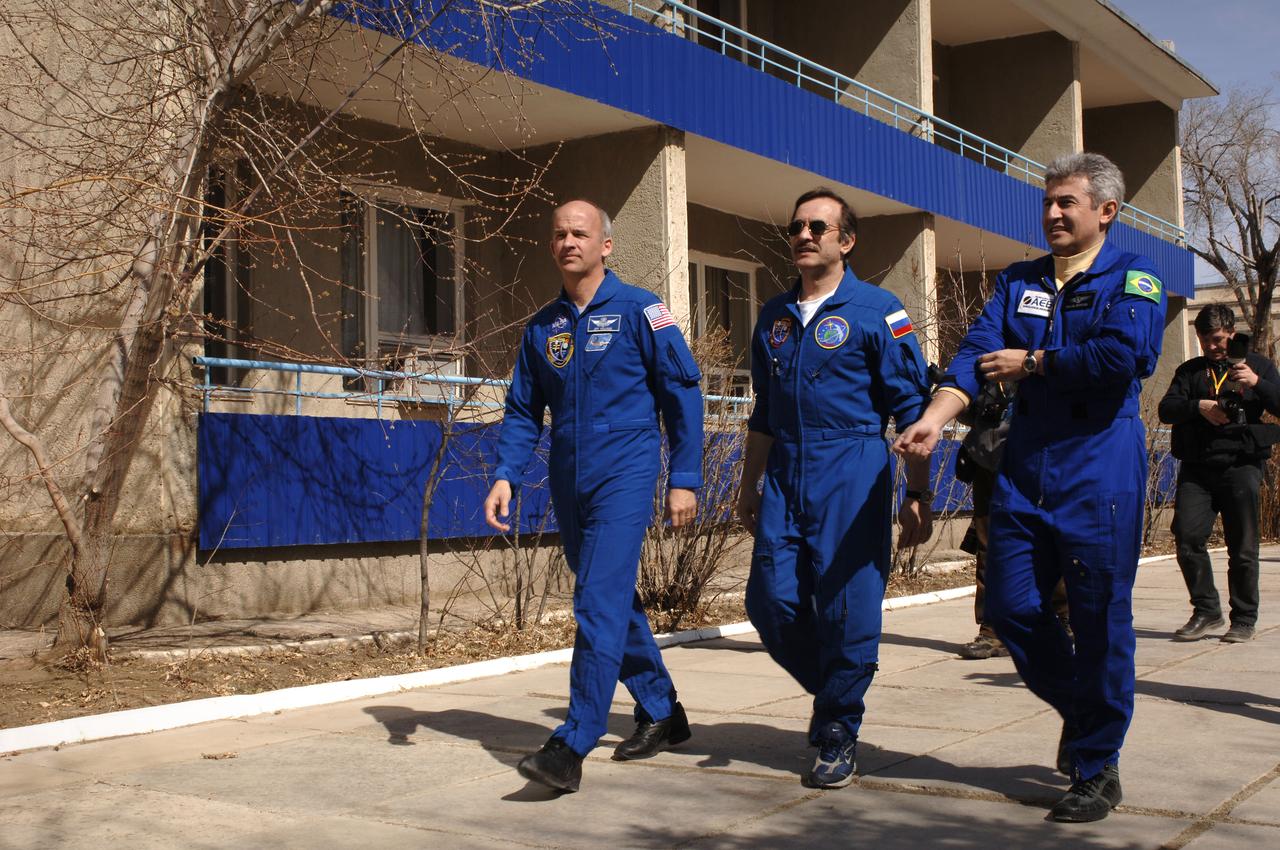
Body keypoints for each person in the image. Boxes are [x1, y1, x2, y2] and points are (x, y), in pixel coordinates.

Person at [894, 153, 1165, 823]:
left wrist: (1036, 361)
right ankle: (1085, 713)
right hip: (1025, 468)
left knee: (1099, 619)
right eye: (1047, 202)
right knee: (1011, 608)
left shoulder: (1134, 277)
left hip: (1100, 467)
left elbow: (1124, 357)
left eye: (1066, 202)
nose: (1052, 213)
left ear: (1106, 211)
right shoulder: (1019, 281)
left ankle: (1096, 767)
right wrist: (934, 419)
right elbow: (974, 358)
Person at [483, 199, 704, 793]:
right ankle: (661, 708)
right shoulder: (543, 327)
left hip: (625, 470)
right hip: (568, 474)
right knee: (610, 599)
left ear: (605, 245)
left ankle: (572, 742)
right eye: (559, 234)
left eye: (580, 233)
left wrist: (685, 477)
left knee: (596, 602)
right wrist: (506, 473)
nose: (568, 242)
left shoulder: (640, 310)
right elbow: (523, 409)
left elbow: (683, 393)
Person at [736, 187, 933, 790]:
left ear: (846, 241)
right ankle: (836, 692)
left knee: (849, 608)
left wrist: (917, 495)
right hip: (786, 469)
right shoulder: (774, 316)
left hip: (853, 466)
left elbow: (913, 412)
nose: (804, 235)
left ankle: (839, 728)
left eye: (818, 227)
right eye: (797, 226)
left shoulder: (879, 311)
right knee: (769, 603)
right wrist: (748, 485)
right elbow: (763, 412)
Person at [1160, 304, 1280, 644]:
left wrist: (1256, 383)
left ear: (1232, 333)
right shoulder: (1190, 372)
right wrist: (1198, 406)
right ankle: (1206, 610)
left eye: (1218, 339)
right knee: (1187, 536)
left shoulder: (1257, 366)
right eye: (1205, 340)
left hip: (1241, 464)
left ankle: (1243, 618)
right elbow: (1166, 409)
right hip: (1198, 467)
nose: (1212, 346)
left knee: (1242, 547)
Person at [955, 381, 1070, 660]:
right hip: (989, 462)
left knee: (1050, 539)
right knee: (989, 548)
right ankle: (993, 630)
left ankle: (1063, 619)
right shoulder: (983, 367)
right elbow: (964, 410)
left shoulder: (1041, 362)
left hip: (1038, 461)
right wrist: (977, 405)